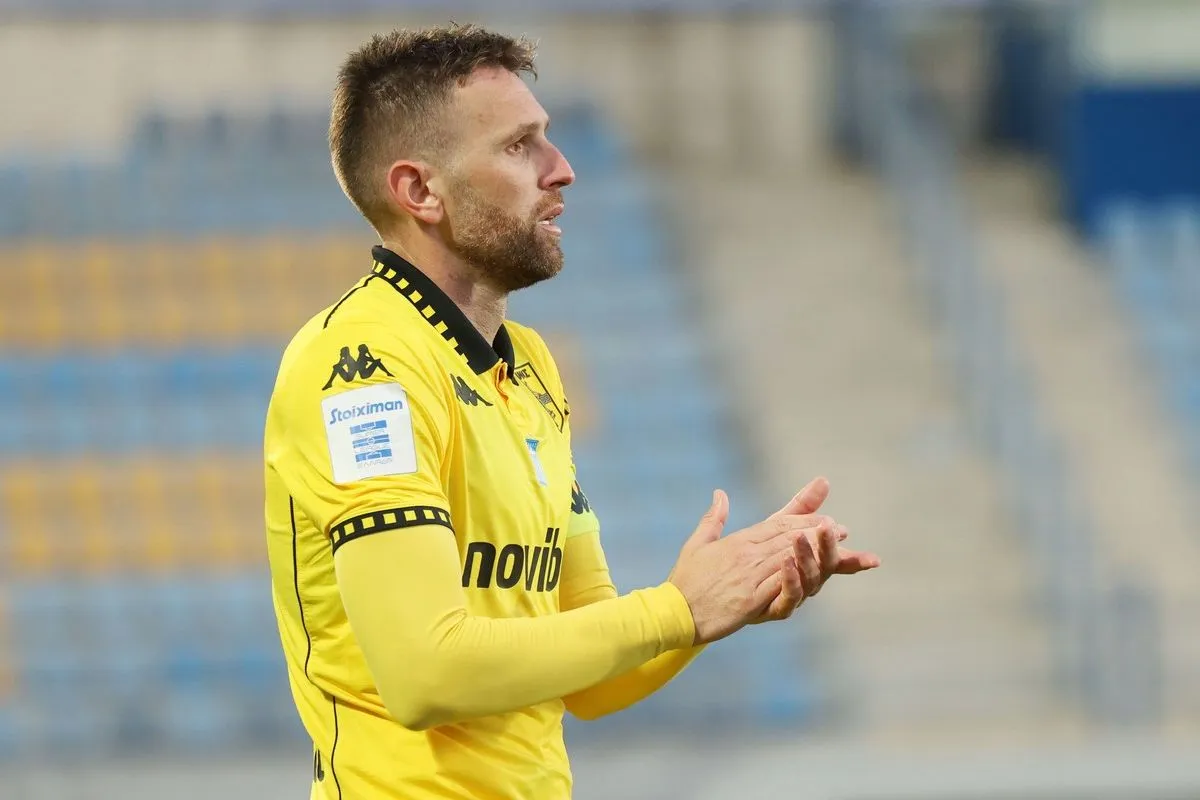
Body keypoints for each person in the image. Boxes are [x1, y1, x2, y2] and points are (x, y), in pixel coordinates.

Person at [262, 23, 880, 800]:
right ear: (420, 191)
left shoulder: (530, 366)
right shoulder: (361, 368)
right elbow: (425, 672)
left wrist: (723, 598)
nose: (561, 170)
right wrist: (676, 609)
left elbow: (593, 681)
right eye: (520, 146)